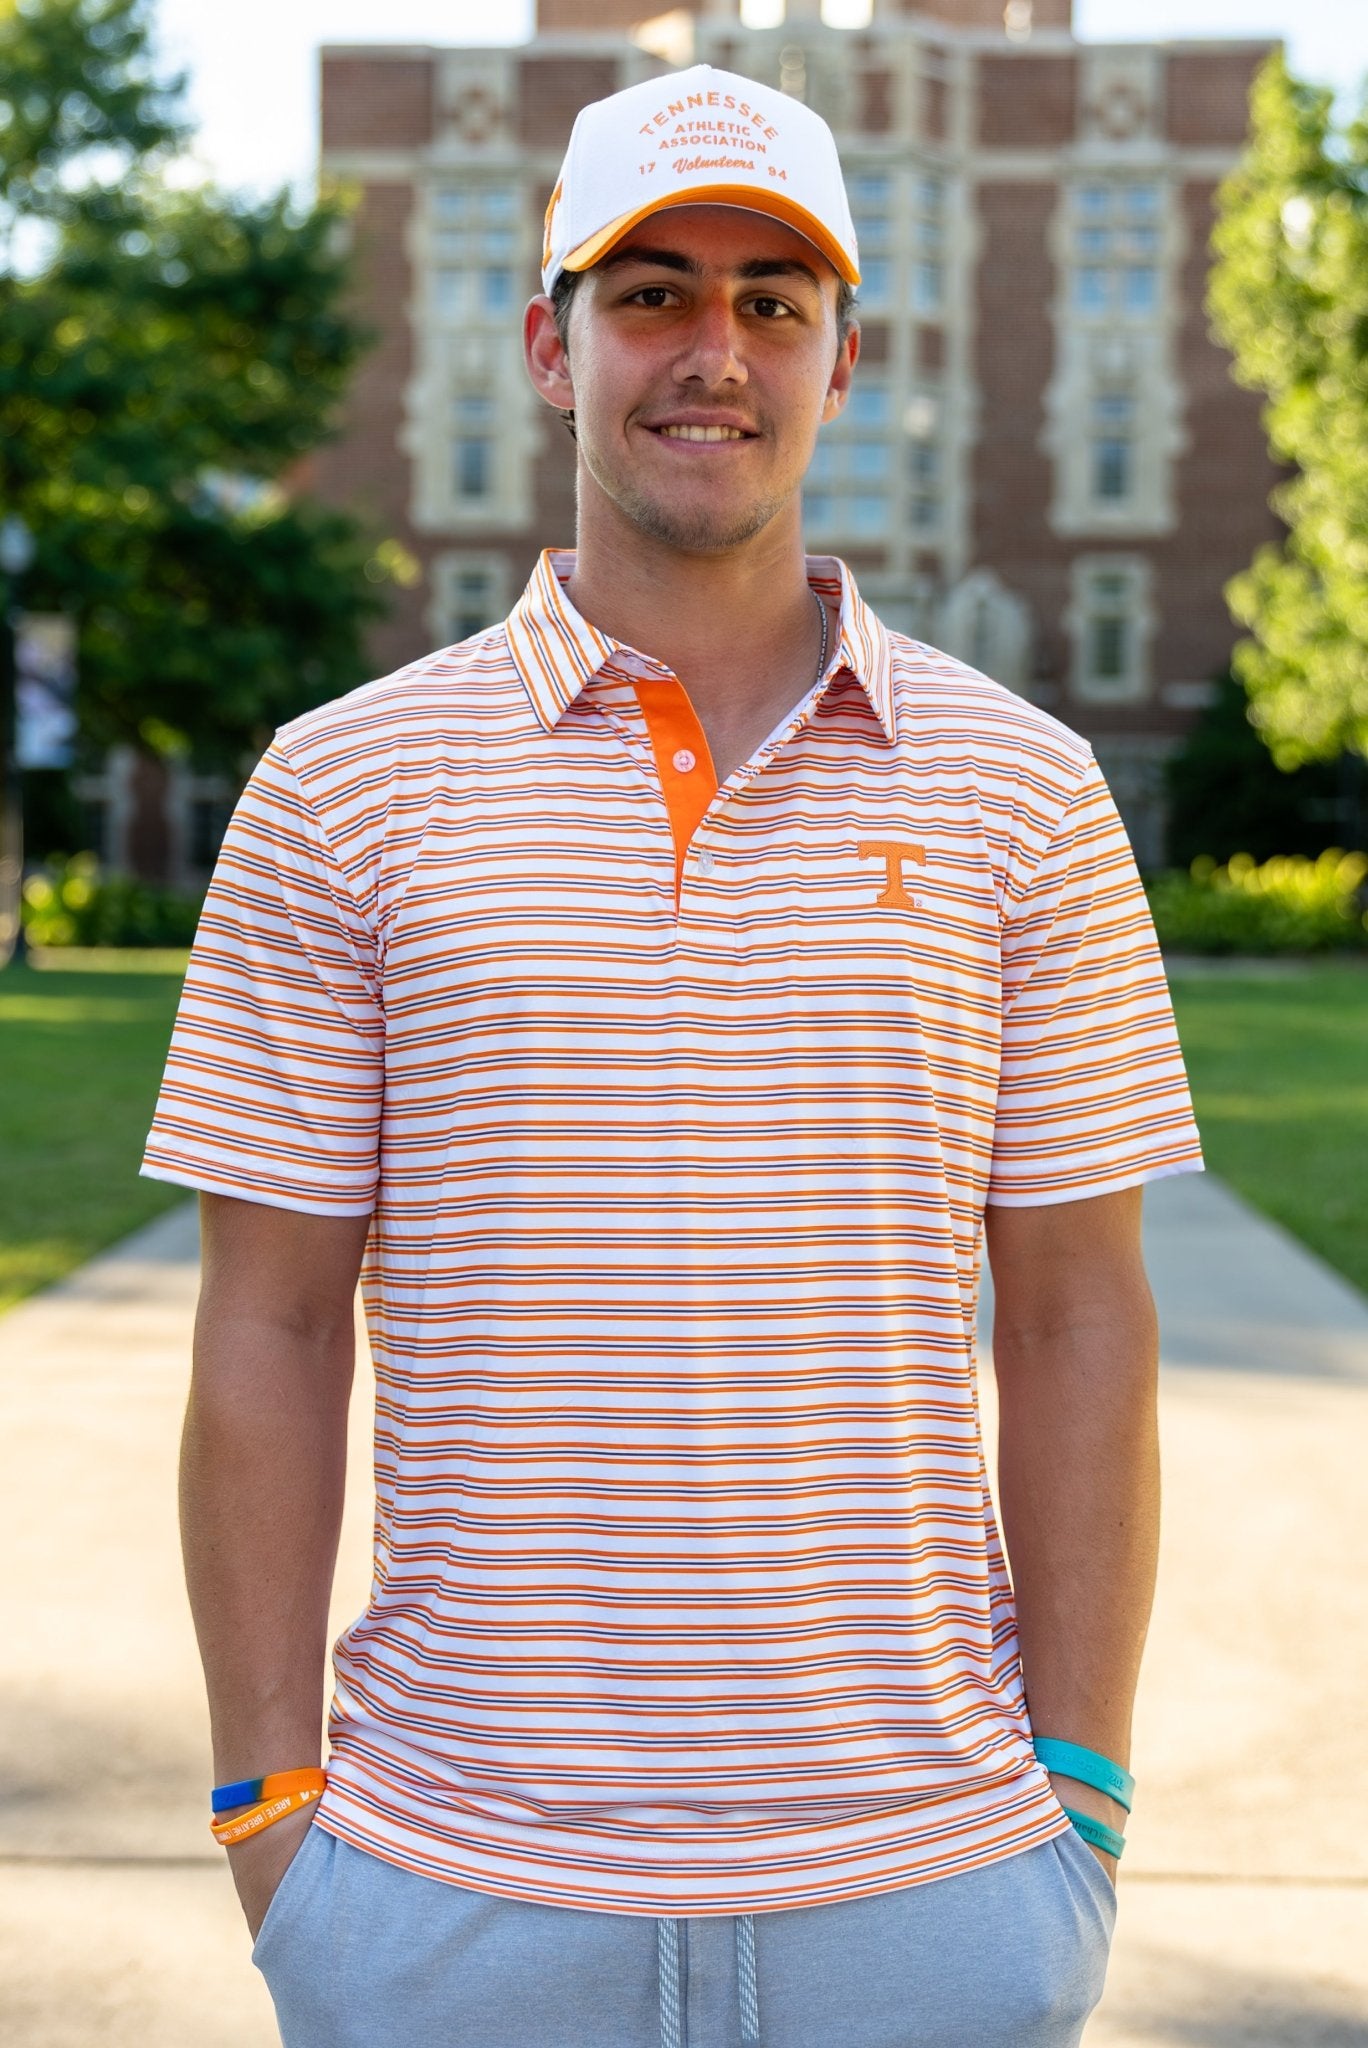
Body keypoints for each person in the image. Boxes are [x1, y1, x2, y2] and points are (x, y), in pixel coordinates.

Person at [142, 61, 1203, 2048]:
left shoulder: (1026, 791)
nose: (711, 351)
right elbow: (268, 1323)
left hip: (936, 1897)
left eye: (770, 300)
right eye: (652, 291)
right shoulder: (338, 788)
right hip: (449, 1895)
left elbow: (1078, 1318)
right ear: (549, 342)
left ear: (844, 360)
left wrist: (1082, 1799)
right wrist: (273, 1810)